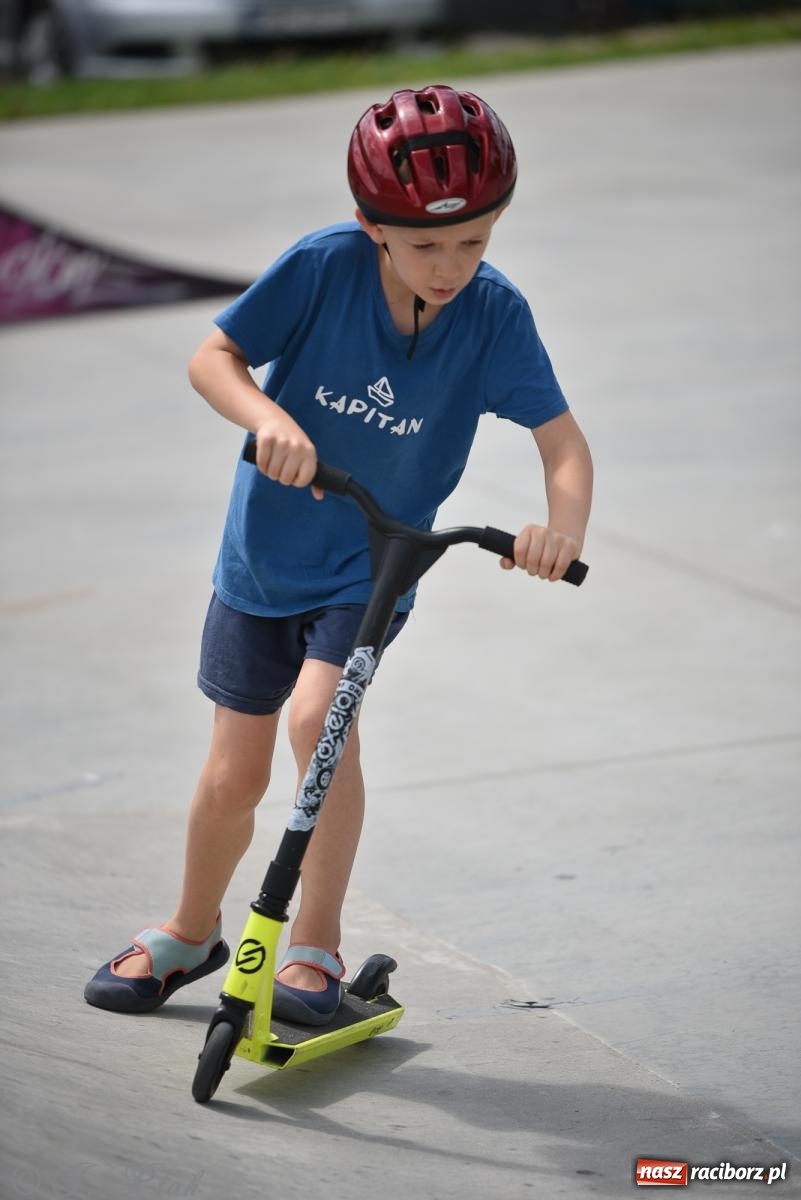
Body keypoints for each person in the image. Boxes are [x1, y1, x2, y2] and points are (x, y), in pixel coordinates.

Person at [84, 84, 593, 1025]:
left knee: (319, 724)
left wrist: (559, 532)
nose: (451, 266)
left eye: (474, 241)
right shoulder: (322, 267)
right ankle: (191, 932)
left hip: (373, 565)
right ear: (372, 226)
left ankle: (313, 946)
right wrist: (268, 418)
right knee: (234, 775)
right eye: (426, 246)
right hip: (262, 560)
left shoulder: (493, 315)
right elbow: (212, 359)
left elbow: (562, 445)